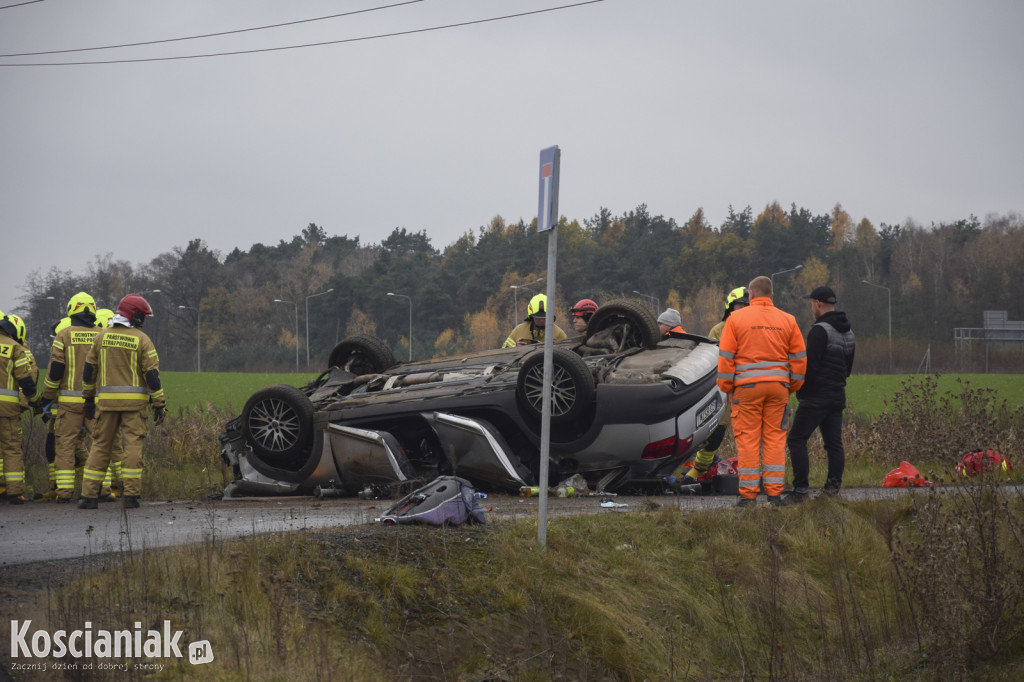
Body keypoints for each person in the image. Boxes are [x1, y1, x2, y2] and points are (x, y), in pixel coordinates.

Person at [717, 276, 806, 507]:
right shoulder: (788, 320)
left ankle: (748, 496)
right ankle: (775, 494)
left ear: (751, 295)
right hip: (778, 390)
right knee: (775, 439)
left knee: (748, 440)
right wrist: (791, 385)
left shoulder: (735, 319)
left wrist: (727, 387)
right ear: (772, 296)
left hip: (746, 390)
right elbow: (799, 359)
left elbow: (726, 357)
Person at [78, 294, 166, 510]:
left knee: (99, 447)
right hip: (134, 407)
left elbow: (89, 372)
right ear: (134, 316)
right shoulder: (142, 340)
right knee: (133, 447)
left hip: (106, 405)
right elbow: (152, 376)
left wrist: (88, 399)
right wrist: (159, 402)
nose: (143, 321)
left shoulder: (100, 337)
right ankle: (131, 496)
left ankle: (88, 497)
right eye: (142, 316)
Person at [785, 286, 855, 502]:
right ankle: (832, 490)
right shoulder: (849, 332)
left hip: (816, 397)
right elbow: (848, 369)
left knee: (796, 439)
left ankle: (800, 491)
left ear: (818, 303)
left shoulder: (819, 330)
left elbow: (811, 367)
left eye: (811, 303)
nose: (811, 307)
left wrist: (801, 391)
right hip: (837, 395)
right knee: (834, 444)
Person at [42, 292, 100, 502]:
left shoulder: (63, 335)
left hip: (68, 403)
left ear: (71, 310)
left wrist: (47, 398)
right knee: (99, 444)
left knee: (65, 446)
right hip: (95, 403)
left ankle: (65, 492)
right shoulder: (102, 334)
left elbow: (56, 369)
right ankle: (101, 489)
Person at [0, 312, 42, 504]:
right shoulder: (14, 347)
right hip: (8, 409)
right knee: (11, 449)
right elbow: (26, 380)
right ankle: (14, 493)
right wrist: (34, 400)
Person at [502, 294, 567, 348]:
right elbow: (504, 350)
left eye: (544, 317)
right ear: (531, 317)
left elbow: (568, 356)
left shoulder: (558, 334)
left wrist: (545, 349)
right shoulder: (519, 330)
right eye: (538, 317)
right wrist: (516, 347)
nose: (541, 320)